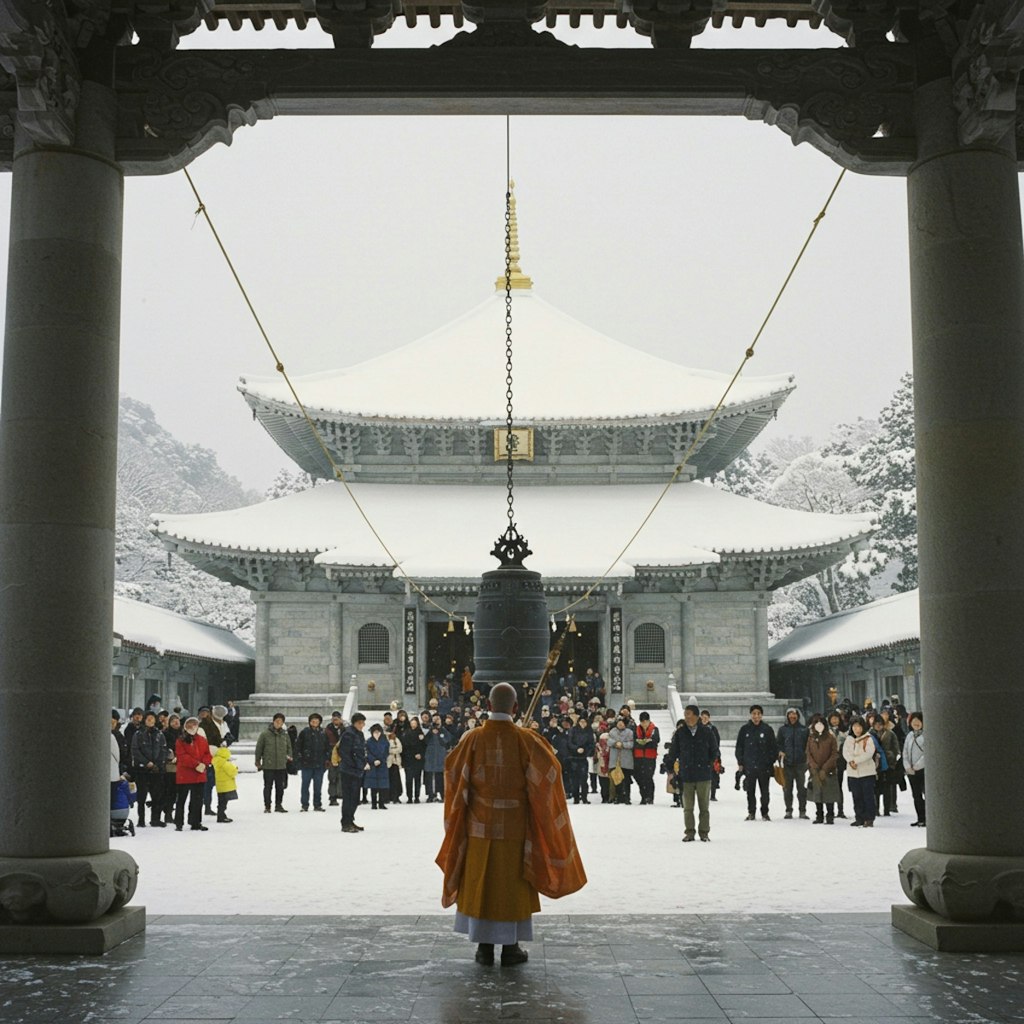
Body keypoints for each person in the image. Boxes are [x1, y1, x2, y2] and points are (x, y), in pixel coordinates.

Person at [436, 682, 587, 967]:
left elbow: (454, 772)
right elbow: (551, 772)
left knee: (482, 884)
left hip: (478, 828)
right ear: (515, 708)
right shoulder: (527, 740)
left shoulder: (472, 739)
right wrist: (540, 745)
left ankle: (483, 947)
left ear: (488, 706)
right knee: (510, 887)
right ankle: (510, 948)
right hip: (515, 829)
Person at [667, 704, 719, 842]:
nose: (686, 717)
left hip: (703, 775)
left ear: (696, 716)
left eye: (688, 714)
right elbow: (673, 752)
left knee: (704, 807)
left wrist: (708, 763)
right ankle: (689, 832)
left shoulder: (707, 732)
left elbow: (715, 751)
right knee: (688, 808)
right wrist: (670, 767)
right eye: (685, 714)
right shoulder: (680, 733)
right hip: (686, 775)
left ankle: (704, 832)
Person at [735, 704, 778, 821]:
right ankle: (751, 812)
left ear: (761, 715)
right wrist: (741, 762)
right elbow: (739, 747)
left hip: (764, 767)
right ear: (750, 715)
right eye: (754, 714)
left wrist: (770, 761)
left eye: (758, 714)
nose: (756, 716)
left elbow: (773, 748)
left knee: (765, 792)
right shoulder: (745, 730)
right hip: (749, 766)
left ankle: (765, 812)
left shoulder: (767, 729)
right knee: (750, 791)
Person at [130, 710, 168, 828]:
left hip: (156, 770)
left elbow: (164, 749)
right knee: (141, 796)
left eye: (152, 719)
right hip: (142, 770)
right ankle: (141, 820)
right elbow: (135, 750)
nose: (150, 721)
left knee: (157, 795)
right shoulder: (138, 734)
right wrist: (146, 763)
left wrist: (158, 764)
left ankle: (155, 819)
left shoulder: (159, 734)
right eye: (148, 719)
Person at [175, 716, 212, 831]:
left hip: (199, 775)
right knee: (181, 800)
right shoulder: (180, 740)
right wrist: (196, 764)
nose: (192, 727)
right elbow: (182, 757)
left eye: (194, 724)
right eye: (189, 724)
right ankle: (179, 823)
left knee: (197, 801)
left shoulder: (202, 739)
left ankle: (195, 822)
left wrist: (204, 763)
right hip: (185, 775)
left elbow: (207, 754)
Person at [254, 713, 293, 813]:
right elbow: (259, 748)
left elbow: (289, 747)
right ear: (273, 721)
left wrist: (289, 756)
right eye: (277, 721)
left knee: (280, 787)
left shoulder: (285, 734)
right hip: (268, 765)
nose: (278, 723)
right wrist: (258, 761)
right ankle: (267, 806)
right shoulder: (265, 734)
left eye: (281, 722)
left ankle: (278, 805)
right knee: (268, 786)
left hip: (281, 765)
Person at [843, 716, 878, 827]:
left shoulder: (868, 738)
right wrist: (850, 761)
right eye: (854, 727)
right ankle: (859, 817)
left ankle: (869, 818)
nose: (857, 729)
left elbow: (868, 753)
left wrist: (856, 761)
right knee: (856, 796)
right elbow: (845, 752)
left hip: (867, 772)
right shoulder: (849, 739)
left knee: (867, 796)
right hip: (853, 773)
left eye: (859, 726)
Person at [805, 713, 840, 824]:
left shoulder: (830, 737)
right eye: (816, 723)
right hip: (815, 770)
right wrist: (814, 766)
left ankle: (830, 815)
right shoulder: (811, 738)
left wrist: (825, 768)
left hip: (828, 770)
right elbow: (808, 753)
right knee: (817, 793)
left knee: (829, 793)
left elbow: (834, 753)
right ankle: (819, 815)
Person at [777, 707, 810, 820]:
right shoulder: (783, 730)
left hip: (801, 763)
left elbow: (808, 746)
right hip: (787, 764)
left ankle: (802, 810)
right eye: (790, 714)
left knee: (801, 789)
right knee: (787, 789)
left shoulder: (804, 730)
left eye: (794, 714)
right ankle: (788, 810)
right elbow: (779, 744)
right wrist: (780, 751)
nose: (792, 716)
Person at [338, 711, 368, 833]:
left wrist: (363, 763)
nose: (362, 725)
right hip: (348, 770)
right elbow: (344, 753)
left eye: (363, 723)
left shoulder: (359, 734)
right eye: (360, 723)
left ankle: (350, 820)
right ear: (355, 723)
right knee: (348, 798)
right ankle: (345, 822)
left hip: (357, 770)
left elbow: (361, 751)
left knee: (355, 798)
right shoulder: (348, 734)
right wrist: (355, 765)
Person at [295, 712, 331, 812]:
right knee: (305, 786)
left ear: (320, 722)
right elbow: (298, 747)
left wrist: (327, 759)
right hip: (306, 765)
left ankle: (317, 804)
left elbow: (328, 747)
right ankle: (304, 805)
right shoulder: (304, 732)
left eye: (317, 721)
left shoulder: (323, 733)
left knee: (318, 787)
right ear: (310, 722)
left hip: (319, 765)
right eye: (312, 721)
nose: (314, 722)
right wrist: (299, 760)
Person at [872, 713, 901, 816]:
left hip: (888, 764)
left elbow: (896, 747)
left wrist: (892, 757)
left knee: (887, 787)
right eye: (876, 724)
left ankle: (887, 809)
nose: (878, 726)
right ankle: (876, 809)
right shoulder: (870, 735)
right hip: (875, 764)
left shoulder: (890, 734)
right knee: (876, 788)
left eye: (880, 724)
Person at [565, 714, 594, 804]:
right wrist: (576, 749)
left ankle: (584, 797)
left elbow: (591, 744)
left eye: (584, 722)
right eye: (581, 722)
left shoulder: (589, 731)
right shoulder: (572, 730)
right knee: (574, 780)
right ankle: (576, 798)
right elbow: (569, 743)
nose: (582, 724)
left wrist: (585, 751)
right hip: (573, 757)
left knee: (584, 779)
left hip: (583, 757)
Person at [633, 711, 660, 805]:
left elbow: (655, 740)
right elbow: (634, 741)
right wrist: (643, 743)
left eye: (645, 722)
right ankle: (643, 796)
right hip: (638, 757)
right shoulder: (636, 729)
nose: (644, 724)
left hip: (650, 757)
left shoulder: (654, 729)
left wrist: (646, 743)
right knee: (639, 777)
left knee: (648, 777)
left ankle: (649, 797)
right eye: (642, 722)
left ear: (649, 721)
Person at [903, 712, 925, 827]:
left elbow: (927, 753)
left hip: (923, 770)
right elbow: (905, 752)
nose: (916, 723)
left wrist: (917, 766)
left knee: (926, 794)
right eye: (913, 721)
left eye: (918, 721)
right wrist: (907, 766)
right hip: (911, 771)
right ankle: (920, 817)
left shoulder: (926, 735)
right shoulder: (909, 735)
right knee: (916, 796)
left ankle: (928, 817)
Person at [607, 718, 635, 804]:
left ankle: (627, 797)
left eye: (622, 723)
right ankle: (618, 797)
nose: (620, 725)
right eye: (618, 723)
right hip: (615, 759)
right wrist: (615, 743)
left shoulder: (629, 732)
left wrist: (622, 744)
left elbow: (631, 744)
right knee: (617, 779)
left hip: (626, 759)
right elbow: (608, 741)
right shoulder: (612, 732)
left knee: (626, 779)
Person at [365, 723, 391, 809]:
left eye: (378, 732)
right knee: (373, 786)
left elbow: (386, 752)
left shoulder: (385, 741)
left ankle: (381, 803)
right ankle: (373, 803)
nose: (377, 734)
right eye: (375, 732)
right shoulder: (368, 741)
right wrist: (373, 760)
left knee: (382, 786)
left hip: (382, 765)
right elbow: (367, 753)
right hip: (373, 766)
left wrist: (380, 760)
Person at [700, 710, 723, 801]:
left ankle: (712, 794)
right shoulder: (697, 728)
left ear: (709, 718)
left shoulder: (713, 729)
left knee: (713, 775)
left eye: (706, 718)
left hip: (711, 755)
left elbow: (717, 742)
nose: (705, 720)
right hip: (701, 755)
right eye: (703, 718)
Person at [212, 745, 238, 823]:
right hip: (226, 785)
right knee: (224, 802)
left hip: (219, 785)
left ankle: (221, 815)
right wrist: (236, 769)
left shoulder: (215, 760)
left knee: (220, 801)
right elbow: (232, 772)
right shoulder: (225, 763)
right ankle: (221, 816)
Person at [403, 715, 425, 803]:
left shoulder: (420, 733)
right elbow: (405, 746)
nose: (413, 725)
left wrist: (420, 754)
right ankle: (409, 797)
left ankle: (417, 796)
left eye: (415, 723)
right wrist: (413, 754)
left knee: (417, 779)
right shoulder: (406, 733)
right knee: (408, 779)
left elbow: (423, 745)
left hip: (418, 760)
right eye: (412, 723)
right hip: (409, 759)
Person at [325, 711, 344, 806]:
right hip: (331, 756)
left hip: (343, 757)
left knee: (342, 777)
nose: (335, 720)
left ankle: (341, 794)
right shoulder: (328, 729)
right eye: (334, 719)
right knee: (332, 778)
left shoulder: (345, 729)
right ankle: (332, 797)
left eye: (337, 718)